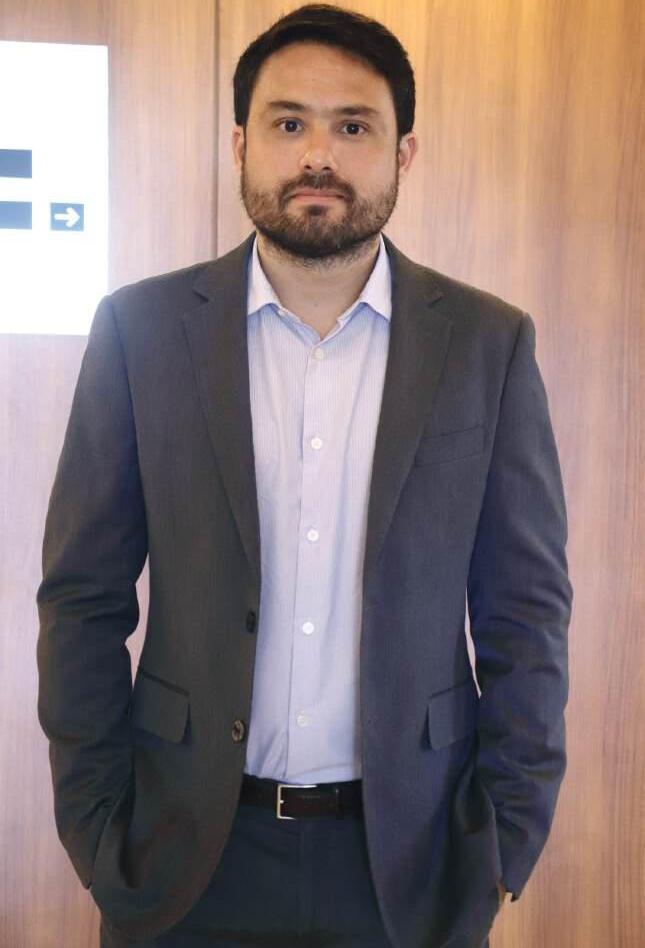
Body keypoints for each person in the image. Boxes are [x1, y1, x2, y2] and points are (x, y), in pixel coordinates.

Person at [36, 5, 573, 947]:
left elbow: (524, 613)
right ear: (241, 144)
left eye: (353, 126)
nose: (317, 155)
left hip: (411, 867)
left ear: (403, 153)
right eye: (288, 123)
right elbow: (83, 595)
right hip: (182, 862)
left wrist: (502, 843)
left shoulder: (486, 344)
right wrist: (96, 824)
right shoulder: (141, 332)